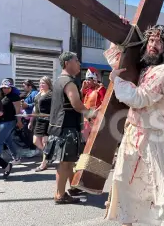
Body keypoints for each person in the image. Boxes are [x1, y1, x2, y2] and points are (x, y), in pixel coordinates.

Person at [103, 19, 164, 226]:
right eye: (150, 41)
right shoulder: (146, 70)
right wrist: (118, 35)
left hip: (153, 139)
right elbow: (119, 62)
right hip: (133, 135)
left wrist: (116, 81)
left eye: (159, 42)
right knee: (124, 183)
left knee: (156, 190)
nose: (153, 45)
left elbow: (140, 97)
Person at [44, 51, 98, 204]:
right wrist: (93, 113)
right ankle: (60, 195)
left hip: (60, 127)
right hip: (65, 128)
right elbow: (76, 105)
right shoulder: (68, 82)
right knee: (65, 163)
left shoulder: (60, 80)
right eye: (77, 61)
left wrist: (79, 92)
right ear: (67, 63)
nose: (79, 64)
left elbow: (67, 102)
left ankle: (73, 187)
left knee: (69, 161)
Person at [28, 76, 53, 172]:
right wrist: (31, 120)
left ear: (48, 84)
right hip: (38, 120)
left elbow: (56, 108)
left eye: (43, 83)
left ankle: (43, 163)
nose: (41, 85)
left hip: (47, 120)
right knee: (35, 141)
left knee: (44, 142)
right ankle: (48, 155)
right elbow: (35, 108)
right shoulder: (39, 93)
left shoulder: (51, 94)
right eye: (40, 83)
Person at [80, 67, 106, 142]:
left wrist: (95, 112)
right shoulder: (87, 89)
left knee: (93, 141)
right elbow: (79, 99)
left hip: (95, 118)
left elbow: (104, 103)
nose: (86, 81)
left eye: (88, 79)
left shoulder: (101, 89)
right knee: (85, 141)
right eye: (86, 79)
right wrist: (82, 88)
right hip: (86, 118)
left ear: (94, 79)